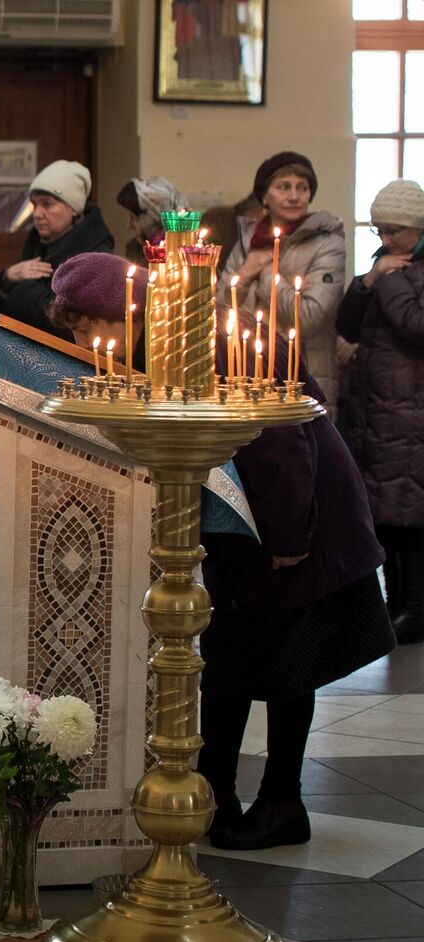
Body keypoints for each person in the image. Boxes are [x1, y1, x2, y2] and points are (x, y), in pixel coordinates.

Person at [47, 252, 392, 851]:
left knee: (291, 664)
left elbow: (281, 444)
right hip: (241, 525)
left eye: (85, 326)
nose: (83, 340)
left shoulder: (211, 340)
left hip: (297, 517)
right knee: (231, 658)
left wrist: (288, 539)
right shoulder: (152, 343)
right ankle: (215, 791)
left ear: (123, 310)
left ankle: (284, 802)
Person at [336, 179, 424, 645]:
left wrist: (388, 282)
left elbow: (415, 325)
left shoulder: (402, 272)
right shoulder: (385, 266)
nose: (386, 241)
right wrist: (368, 281)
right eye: (380, 231)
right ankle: (396, 604)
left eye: (395, 231)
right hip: (378, 407)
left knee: (409, 517)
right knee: (386, 514)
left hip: (410, 411)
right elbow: (346, 324)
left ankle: (415, 608)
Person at [220, 152, 348, 400]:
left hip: (303, 377)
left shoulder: (327, 242)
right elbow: (222, 309)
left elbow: (310, 317)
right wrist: (245, 274)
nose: (294, 196)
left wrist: (267, 274)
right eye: (283, 187)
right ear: (264, 196)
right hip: (249, 372)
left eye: (303, 188)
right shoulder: (248, 242)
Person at [0, 159, 112, 338]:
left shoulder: (95, 254)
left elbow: (71, 323)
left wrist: (19, 290)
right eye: (34, 204)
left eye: (47, 204)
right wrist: (7, 278)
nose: (37, 213)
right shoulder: (36, 243)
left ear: (73, 208)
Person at [115, 175, 186, 264]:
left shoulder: (186, 253)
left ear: (153, 215)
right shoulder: (135, 250)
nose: (129, 225)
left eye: (134, 218)